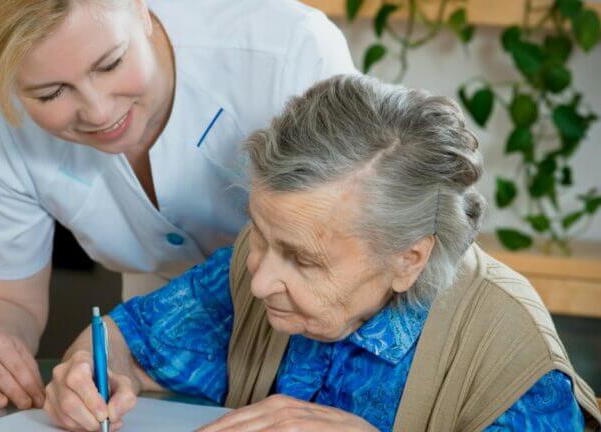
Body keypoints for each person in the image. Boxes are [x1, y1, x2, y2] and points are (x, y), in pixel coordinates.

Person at [44, 75, 601, 431]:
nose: (260, 282)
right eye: (259, 233)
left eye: (304, 260)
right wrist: (90, 375)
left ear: (409, 260)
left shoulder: (506, 351)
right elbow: (123, 343)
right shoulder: (251, 268)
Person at [0, 0, 357, 411]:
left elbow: (360, 263)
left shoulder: (289, 50)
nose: (99, 111)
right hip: (157, 329)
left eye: (109, 64)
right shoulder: (8, 113)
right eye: (52, 93)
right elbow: (5, 295)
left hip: (322, 329)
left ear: (140, 9)